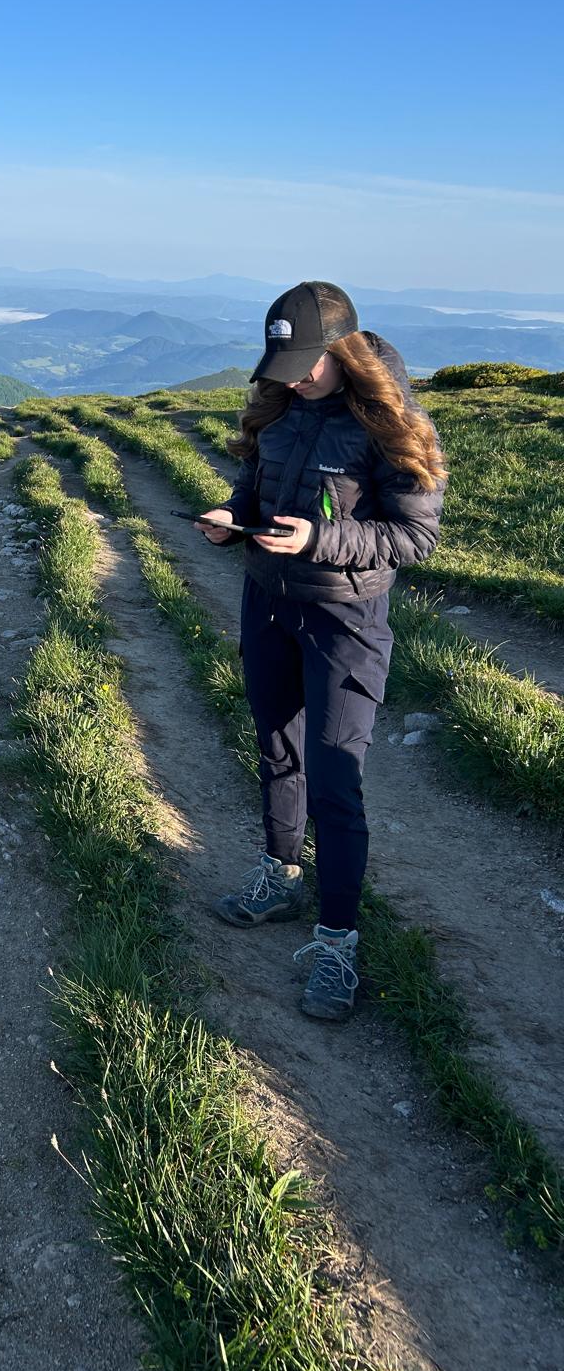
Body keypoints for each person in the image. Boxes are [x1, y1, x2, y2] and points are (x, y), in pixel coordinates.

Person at [196, 281, 446, 1020]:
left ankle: (337, 941)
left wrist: (318, 538)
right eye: (285, 365)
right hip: (268, 603)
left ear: (345, 352)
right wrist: (229, 518)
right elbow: (253, 487)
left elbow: (415, 537)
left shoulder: (393, 425)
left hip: (346, 622)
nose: (296, 378)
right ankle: (279, 874)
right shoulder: (278, 409)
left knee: (336, 780)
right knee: (277, 749)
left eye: (307, 363)